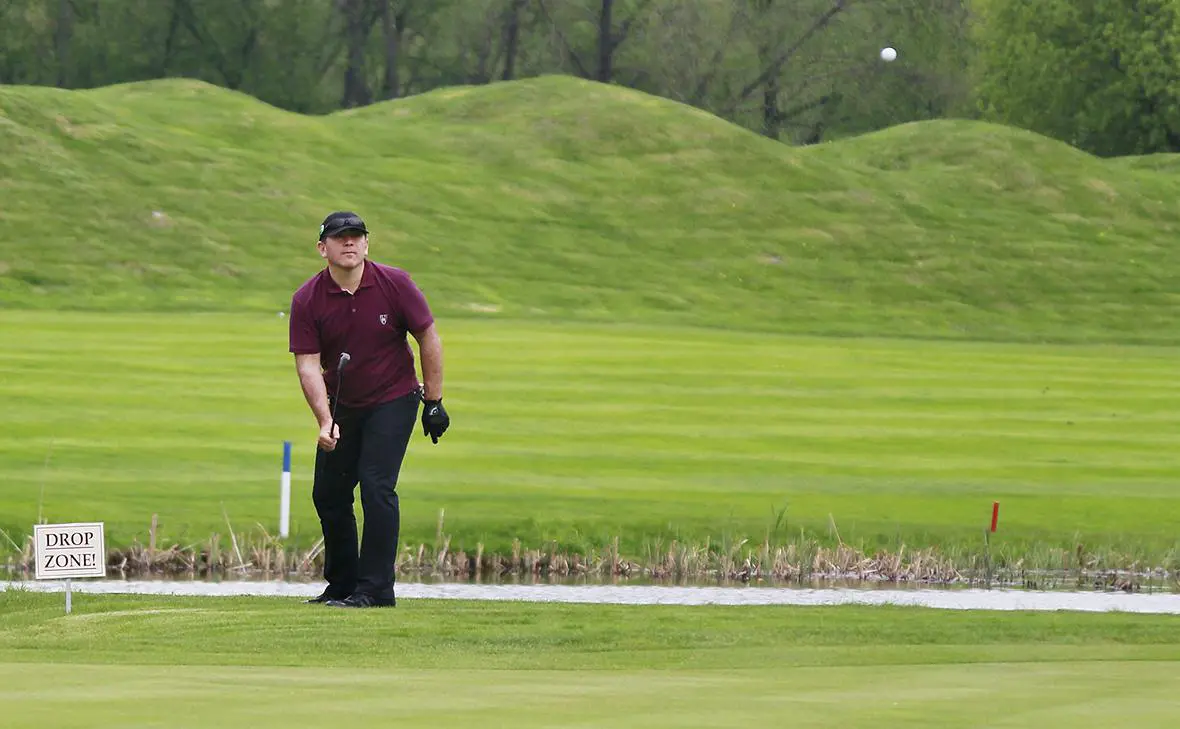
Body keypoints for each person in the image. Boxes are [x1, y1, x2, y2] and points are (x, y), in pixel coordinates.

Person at [287, 211, 450, 608]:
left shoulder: (395, 283)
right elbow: (308, 365)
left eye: (357, 236)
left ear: (366, 244)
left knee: (376, 486)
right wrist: (325, 421)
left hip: (392, 398)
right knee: (329, 494)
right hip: (342, 403)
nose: (349, 243)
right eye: (340, 237)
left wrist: (434, 401)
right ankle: (343, 585)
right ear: (322, 248)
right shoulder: (307, 299)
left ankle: (376, 589)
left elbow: (427, 336)